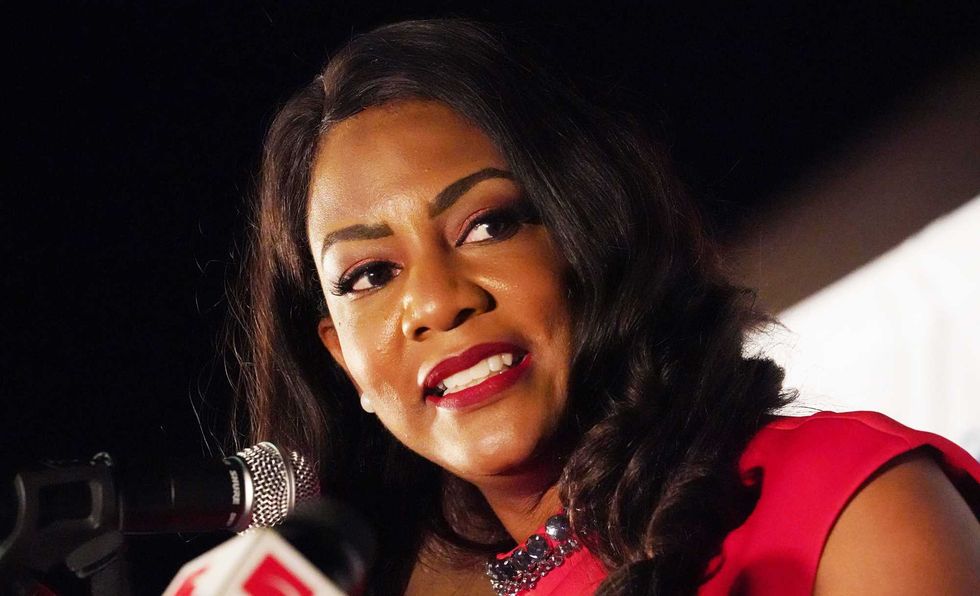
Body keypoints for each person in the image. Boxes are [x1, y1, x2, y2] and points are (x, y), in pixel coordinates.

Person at [229, 19, 980, 595]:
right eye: (369, 275)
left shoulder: (846, 502)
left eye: (487, 225)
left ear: (589, 235)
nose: (435, 301)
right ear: (342, 359)